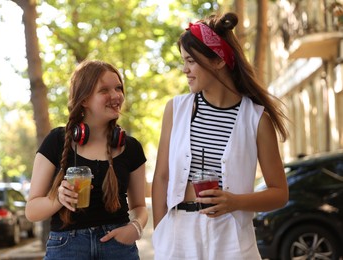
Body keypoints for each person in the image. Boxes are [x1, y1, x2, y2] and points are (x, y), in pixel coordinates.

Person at [151, 12, 289, 260]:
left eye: (191, 61)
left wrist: (235, 201)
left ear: (218, 61)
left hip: (231, 239)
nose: (185, 70)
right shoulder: (176, 109)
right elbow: (161, 177)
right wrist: (161, 233)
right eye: (184, 61)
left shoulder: (256, 119)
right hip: (178, 237)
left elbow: (279, 193)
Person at [25, 60, 148, 260]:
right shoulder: (56, 140)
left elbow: (139, 207)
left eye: (118, 88)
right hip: (66, 247)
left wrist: (135, 227)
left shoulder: (132, 147)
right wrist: (58, 198)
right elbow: (32, 211)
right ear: (84, 99)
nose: (116, 96)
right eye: (104, 90)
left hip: (117, 246)